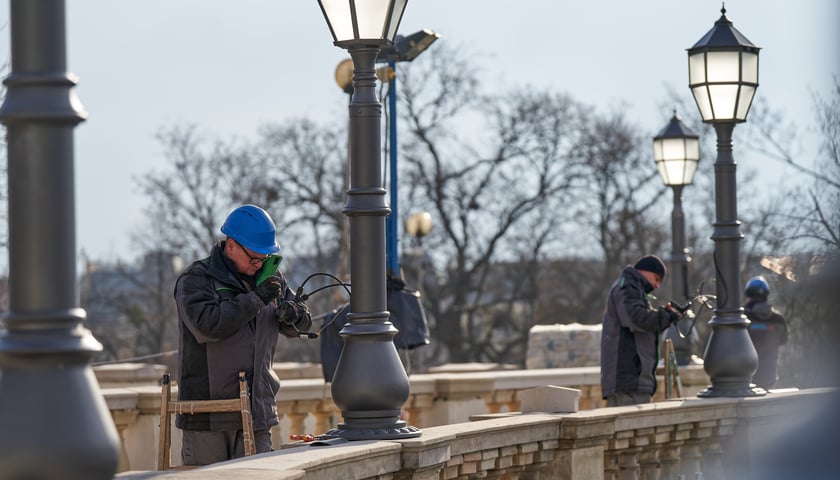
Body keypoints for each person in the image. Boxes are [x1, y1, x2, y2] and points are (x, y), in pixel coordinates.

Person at [174, 204, 312, 466]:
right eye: (254, 259)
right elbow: (208, 326)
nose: (259, 265)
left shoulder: (270, 278)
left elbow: (303, 323)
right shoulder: (197, 280)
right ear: (232, 245)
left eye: (264, 258)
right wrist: (256, 299)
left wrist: (293, 315)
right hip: (209, 417)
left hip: (257, 413)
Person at [600, 254, 682, 407]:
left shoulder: (629, 287)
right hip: (629, 380)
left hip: (627, 379)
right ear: (646, 271)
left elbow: (640, 325)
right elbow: (637, 319)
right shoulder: (628, 286)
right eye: (657, 279)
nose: (657, 286)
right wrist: (665, 316)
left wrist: (665, 318)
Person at [744, 276, 788, 390]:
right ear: (766, 296)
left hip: (744, 381)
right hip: (769, 379)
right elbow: (783, 340)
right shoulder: (779, 320)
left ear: (748, 296)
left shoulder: (741, 318)